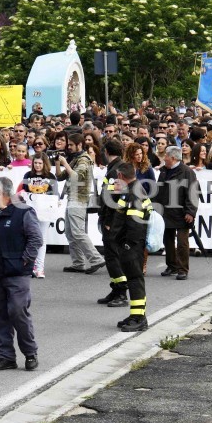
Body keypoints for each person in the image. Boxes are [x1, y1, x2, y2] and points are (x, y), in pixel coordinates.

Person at [0, 176, 43, 371]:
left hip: (17, 274)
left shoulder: (23, 212)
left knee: (17, 311)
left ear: (1, 193)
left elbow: (36, 239)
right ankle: (6, 356)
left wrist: (25, 261)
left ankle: (30, 353)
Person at [56, 133, 105, 274]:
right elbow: (60, 177)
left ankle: (96, 259)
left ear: (79, 145)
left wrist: (65, 163)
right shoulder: (77, 159)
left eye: (71, 145)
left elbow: (76, 177)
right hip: (72, 197)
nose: (68, 147)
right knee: (70, 232)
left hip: (78, 198)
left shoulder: (84, 159)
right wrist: (59, 163)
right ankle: (78, 263)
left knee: (77, 231)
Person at [113, 162, 153, 332]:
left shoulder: (134, 193)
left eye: (117, 177)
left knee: (135, 280)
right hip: (130, 244)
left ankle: (139, 318)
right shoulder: (132, 191)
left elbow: (135, 223)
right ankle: (135, 314)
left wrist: (128, 244)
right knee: (133, 279)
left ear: (121, 176)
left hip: (132, 245)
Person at [155, 146, 198, 280]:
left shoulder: (187, 172)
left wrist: (190, 212)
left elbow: (193, 193)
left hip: (182, 213)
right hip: (166, 212)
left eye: (166, 156)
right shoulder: (163, 171)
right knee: (167, 240)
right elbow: (159, 191)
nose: (164, 158)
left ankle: (182, 269)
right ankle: (171, 266)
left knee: (182, 243)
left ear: (172, 158)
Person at [96, 139, 127, 307]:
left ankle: (121, 291)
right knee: (110, 256)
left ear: (107, 152)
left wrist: (109, 222)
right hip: (113, 220)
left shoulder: (115, 171)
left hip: (113, 221)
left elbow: (113, 199)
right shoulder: (115, 168)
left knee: (113, 256)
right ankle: (115, 288)